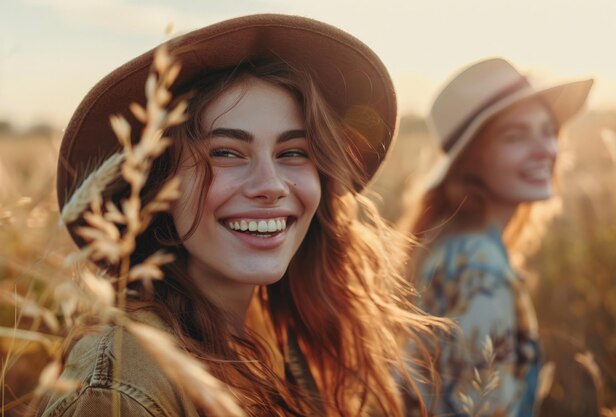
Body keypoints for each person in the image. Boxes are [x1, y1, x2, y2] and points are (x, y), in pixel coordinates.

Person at [38, 14, 445, 417]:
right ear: (159, 185)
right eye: (226, 153)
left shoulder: (271, 338)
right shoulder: (119, 390)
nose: (270, 185)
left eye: (293, 153)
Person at [401, 58, 593, 416]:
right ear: (471, 160)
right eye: (515, 136)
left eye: (548, 130)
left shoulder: (458, 245)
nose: (545, 150)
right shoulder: (478, 268)